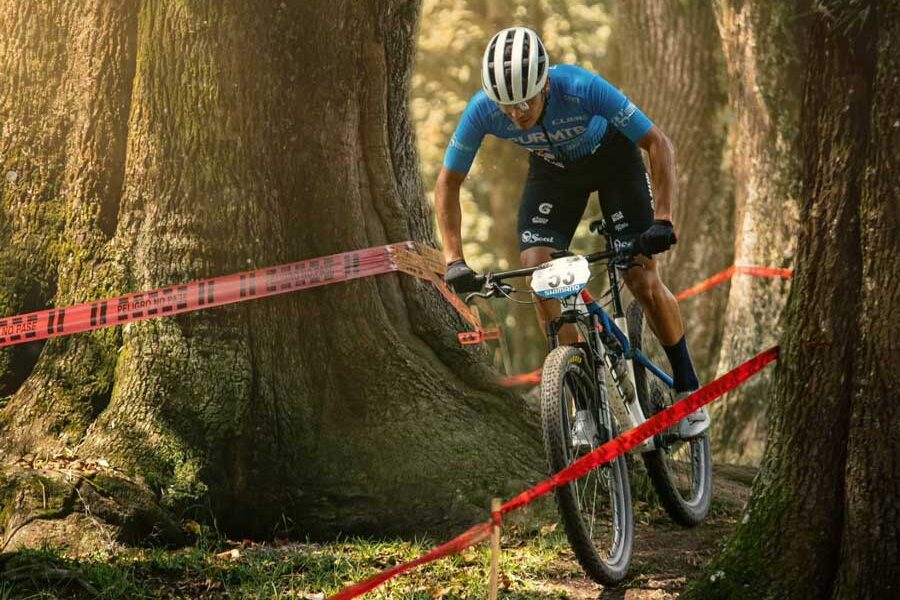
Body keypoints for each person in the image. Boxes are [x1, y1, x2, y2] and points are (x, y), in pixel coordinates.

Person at [435, 27, 708, 438]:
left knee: (641, 277)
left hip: (614, 161)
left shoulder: (581, 87)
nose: (516, 113)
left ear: (545, 82)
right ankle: (585, 406)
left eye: (525, 100)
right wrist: (454, 260)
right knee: (537, 270)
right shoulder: (482, 110)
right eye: (506, 105)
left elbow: (658, 143)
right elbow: (448, 182)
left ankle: (689, 391)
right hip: (554, 174)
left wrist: (663, 219)